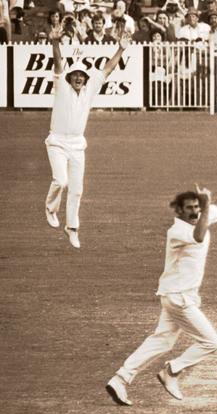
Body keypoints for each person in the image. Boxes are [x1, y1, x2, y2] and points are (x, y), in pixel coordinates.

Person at [106, 163, 217, 406]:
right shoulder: (177, 231)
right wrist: (206, 206)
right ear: (178, 212)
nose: (194, 212)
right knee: (211, 342)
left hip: (175, 296)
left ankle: (121, 379)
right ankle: (172, 371)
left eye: (196, 208)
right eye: (189, 209)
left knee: (163, 340)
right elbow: (199, 236)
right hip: (180, 298)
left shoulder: (200, 218)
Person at [44, 27, 130, 248]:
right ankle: (51, 208)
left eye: (82, 75)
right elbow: (58, 64)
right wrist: (55, 43)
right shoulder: (61, 86)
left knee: (77, 189)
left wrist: (120, 48)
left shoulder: (91, 87)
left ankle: (72, 227)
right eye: (75, 75)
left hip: (77, 144)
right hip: (57, 141)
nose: (79, 78)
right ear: (70, 78)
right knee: (60, 181)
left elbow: (108, 69)